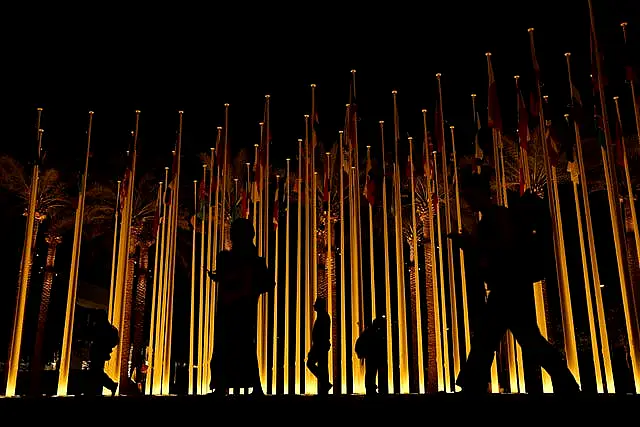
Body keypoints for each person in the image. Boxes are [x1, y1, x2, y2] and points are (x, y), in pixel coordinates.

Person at [449, 168, 580, 394]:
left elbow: (505, 249)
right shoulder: (489, 220)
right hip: (506, 287)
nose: (468, 201)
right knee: (500, 338)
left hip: (511, 288)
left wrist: (473, 246)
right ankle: (565, 382)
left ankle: (473, 384)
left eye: (470, 196)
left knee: (506, 339)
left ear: (482, 193)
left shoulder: (499, 217)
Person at [208, 218, 275, 396]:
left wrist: (250, 288)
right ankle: (223, 386)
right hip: (230, 311)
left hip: (242, 311)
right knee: (226, 348)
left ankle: (252, 387)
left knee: (242, 349)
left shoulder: (253, 261)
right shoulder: (227, 258)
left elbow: (268, 283)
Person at [86, 310, 119, 396]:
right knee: (97, 370)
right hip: (100, 351)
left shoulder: (102, 328)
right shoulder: (108, 328)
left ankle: (110, 385)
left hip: (99, 352)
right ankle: (109, 386)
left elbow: (95, 338)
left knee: (96, 371)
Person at [355, 316, 386, 396]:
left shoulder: (369, 332)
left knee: (371, 373)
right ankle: (371, 389)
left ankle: (371, 389)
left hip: (372, 356)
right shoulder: (371, 332)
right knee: (371, 372)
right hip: (372, 356)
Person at [306, 297, 332, 394]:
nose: (314, 305)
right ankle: (324, 387)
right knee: (323, 366)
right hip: (321, 345)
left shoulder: (323, 317)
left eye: (316, 304)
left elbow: (321, 334)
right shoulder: (323, 316)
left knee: (310, 363)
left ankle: (324, 384)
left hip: (320, 345)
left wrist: (314, 348)